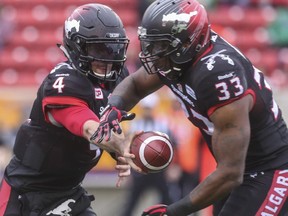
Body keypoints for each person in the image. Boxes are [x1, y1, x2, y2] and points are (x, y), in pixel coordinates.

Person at [93, 0, 288, 215]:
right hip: (238, 170)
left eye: (160, 45)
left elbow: (231, 172)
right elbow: (136, 84)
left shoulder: (217, 74)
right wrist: (113, 108)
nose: (153, 52)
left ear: (188, 43)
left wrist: (174, 210)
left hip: (270, 170)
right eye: (151, 43)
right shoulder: (177, 58)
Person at [0, 3, 139, 216]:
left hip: (69, 194)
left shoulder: (117, 80)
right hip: (26, 195)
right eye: (98, 49)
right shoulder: (64, 82)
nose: (108, 57)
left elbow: (105, 121)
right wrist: (120, 144)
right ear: (77, 46)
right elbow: (89, 128)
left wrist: (117, 151)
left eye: (113, 48)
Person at [121, 93, 174, 216]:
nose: (147, 112)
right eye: (145, 109)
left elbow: (172, 147)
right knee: (131, 203)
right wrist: (127, 170)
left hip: (160, 170)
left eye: (149, 109)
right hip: (139, 170)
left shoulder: (163, 124)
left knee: (168, 200)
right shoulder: (134, 125)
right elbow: (126, 149)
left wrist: (173, 167)